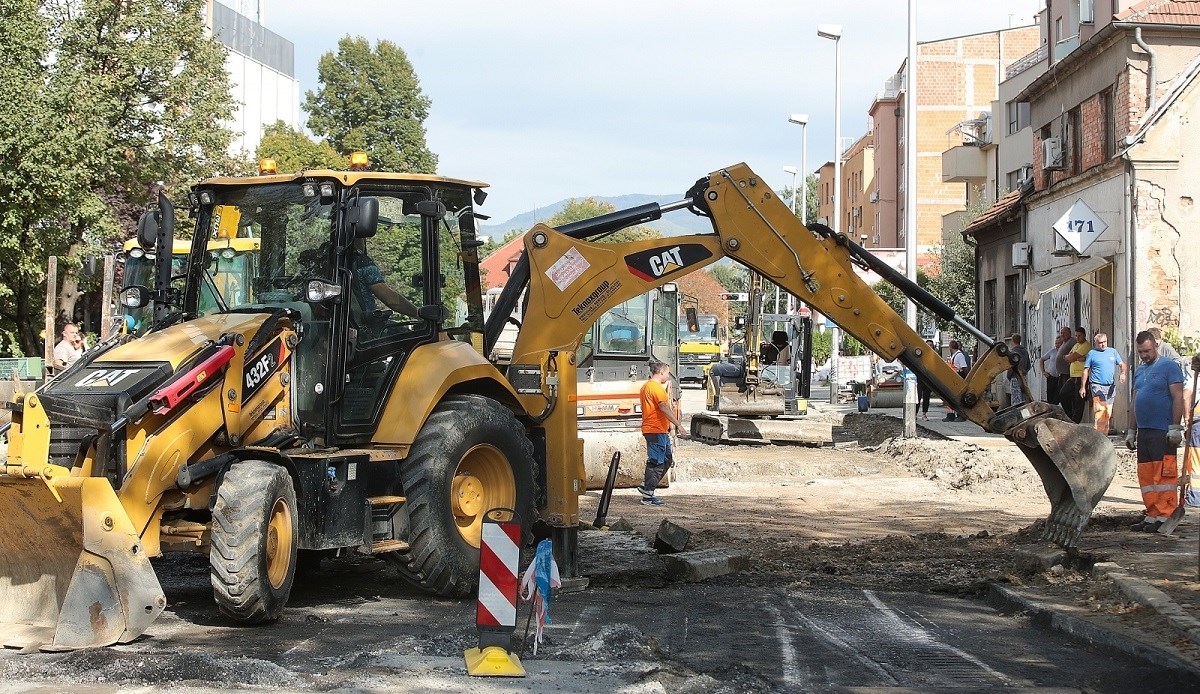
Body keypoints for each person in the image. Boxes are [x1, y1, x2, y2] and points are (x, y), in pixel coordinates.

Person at [1127, 330, 1185, 532]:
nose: (1144, 355)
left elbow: (1178, 397)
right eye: (1141, 352)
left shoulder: (1169, 367)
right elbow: (1135, 401)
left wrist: (1175, 427)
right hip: (1144, 431)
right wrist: (1131, 430)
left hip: (1163, 430)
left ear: (1156, 347)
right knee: (1147, 476)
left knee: (1164, 475)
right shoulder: (1140, 371)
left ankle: (1166, 514)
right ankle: (1152, 514)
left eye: (1147, 351)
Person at [637, 360, 683, 507]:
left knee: (667, 460)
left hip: (658, 430)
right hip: (655, 430)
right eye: (667, 373)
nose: (668, 376)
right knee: (656, 462)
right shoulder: (656, 388)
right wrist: (678, 425)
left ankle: (646, 486)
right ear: (661, 372)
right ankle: (648, 495)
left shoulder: (647, 387)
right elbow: (664, 407)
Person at [349, 239, 421, 323]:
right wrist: (419, 313)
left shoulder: (333, 262)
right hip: (365, 327)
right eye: (362, 238)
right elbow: (391, 300)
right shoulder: (361, 262)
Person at [1080, 332, 1126, 435]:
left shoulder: (1113, 352)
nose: (1103, 344)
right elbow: (1086, 370)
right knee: (1100, 409)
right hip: (1097, 385)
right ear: (1096, 343)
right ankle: (1099, 435)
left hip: (1110, 386)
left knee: (1108, 412)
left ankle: (1104, 435)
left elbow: (1122, 364)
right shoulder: (1092, 353)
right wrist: (1083, 387)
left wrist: (1123, 373)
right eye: (1100, 343)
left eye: (1105, 342)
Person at [1058, 326, 1090, 423]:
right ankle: (1069, 415)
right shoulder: (1076, 345)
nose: (1077, 338)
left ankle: (1075, 421)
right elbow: (1067, 356)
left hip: (1081, 376)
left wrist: (1073, 358)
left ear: (1084, 335)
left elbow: (1071, 357)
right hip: (1072, 377)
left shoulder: (1085, 345)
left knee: (1078, 400)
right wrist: (1074, 357)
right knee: (1063, 394)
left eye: (1079, 336)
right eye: (1076, 336)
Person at [944, 340, 969, 421]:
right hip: (954, 379)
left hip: (959, 378)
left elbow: (964, 367)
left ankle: (961, 415)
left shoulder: (959, 355)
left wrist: (967, 379)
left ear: (950, 347)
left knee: (959, 398)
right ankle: (950, 415)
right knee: (952, 397)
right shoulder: (954, 355)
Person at [1039, 332, 1064, 406]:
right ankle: (1051, 411)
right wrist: (1043, 371)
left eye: (1059, 343)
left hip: (1061, 377)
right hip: (1051, 376)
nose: (1057, 345)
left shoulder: (1065, 351)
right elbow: (1042, 359)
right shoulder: (1052, 351)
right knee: (1050, 397)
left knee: (1058, 396)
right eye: (1056, 343)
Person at [1007, 334, 1032, 405]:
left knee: (1016, 398)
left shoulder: (1013, 352)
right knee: (1023, 397)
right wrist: (1024, 373)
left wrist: (1009, 375)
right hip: (1023, 377)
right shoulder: (1025, 351)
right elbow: (1029, 365)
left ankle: (1017, 414)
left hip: (1015, 377)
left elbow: (1011, 366)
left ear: (1012, 341)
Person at [916, 339, 935, 420]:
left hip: (928, 379)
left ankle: (924, 414)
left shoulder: (934, 355)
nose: (929, 346)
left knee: (926, 397)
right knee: (918, 396)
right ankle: (915, 413)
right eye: (928, 344)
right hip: (920, 378)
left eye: (931, 345)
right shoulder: (920, 354)